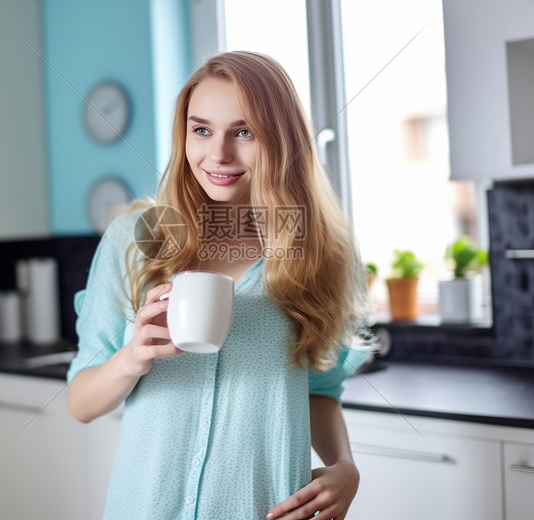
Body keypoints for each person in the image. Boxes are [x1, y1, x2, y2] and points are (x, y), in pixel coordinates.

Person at [66, 51, 370, 519]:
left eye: (244, 132)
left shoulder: (323, 253)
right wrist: (132, 357)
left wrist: (344, 467)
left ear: (281, 140)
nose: (219, 154)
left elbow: (321, 389)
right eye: (201, 129)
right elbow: (81, 403)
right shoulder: (136, 238)